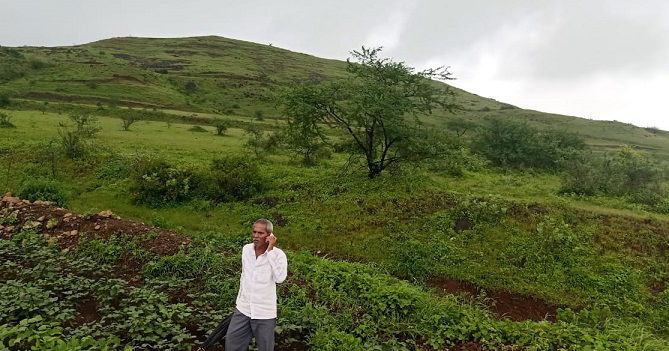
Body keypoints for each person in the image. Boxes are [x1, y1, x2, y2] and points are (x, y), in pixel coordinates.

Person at [225, 218, 288, 351]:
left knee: (265, 348)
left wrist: (270, 251)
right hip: (243, 309)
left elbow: (280, 278)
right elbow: (244, 277)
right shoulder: (246, 249)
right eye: (254, 232)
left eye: (260, 233)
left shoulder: (278, 255)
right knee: (232, 343)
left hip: (264, 313)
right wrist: (238, 302)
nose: (255, 236)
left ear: (269, 236)